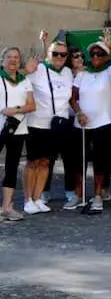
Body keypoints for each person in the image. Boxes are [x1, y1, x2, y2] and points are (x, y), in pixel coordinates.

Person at [23, 39, 75, 214]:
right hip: (36, 123)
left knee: (46, 162)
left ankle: (38, 198)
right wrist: (25, 70)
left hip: (57, 126)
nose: (59, 57)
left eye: (63, 54)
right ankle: (28, 199)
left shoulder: (68, 72)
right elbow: (19, 81)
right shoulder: (38, 70)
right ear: (49, 54)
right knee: (33, 162)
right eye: (55, 53)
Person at [72, 35, 111, 213]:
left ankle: (98, 196)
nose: (95, 57)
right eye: (92, 54)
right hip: (83, 124)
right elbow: (73, 97)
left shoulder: (110, 72)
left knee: (101, 162)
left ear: (106, 56)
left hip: (104, 123)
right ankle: (79, 196)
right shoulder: (82, 74)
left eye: (100, 53)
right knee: (79, 162)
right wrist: (78, 112)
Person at [1, 47, 35, 220]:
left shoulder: (25, 81)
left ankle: (7, 207)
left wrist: (14, 110)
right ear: (2, 60)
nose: (13, 60)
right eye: (9, 57)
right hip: (0, 128)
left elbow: (32, 105)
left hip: (18, 129)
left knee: (12, 168)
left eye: (16, 57)